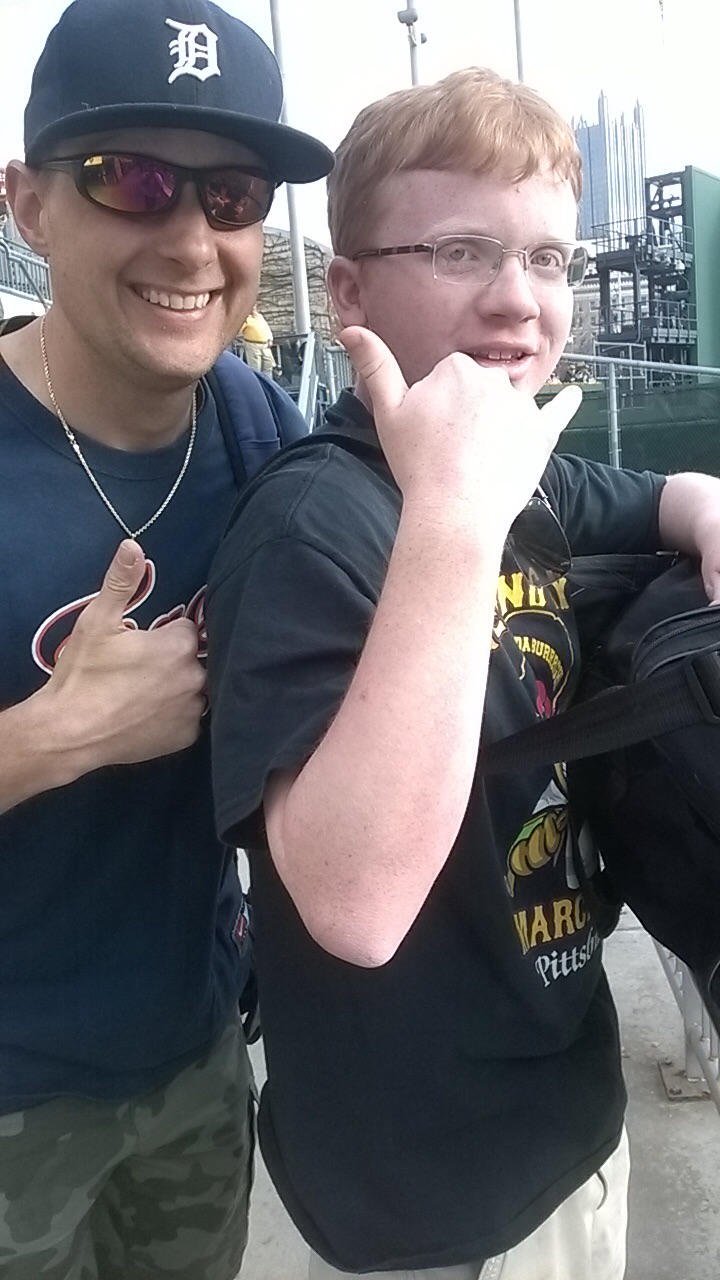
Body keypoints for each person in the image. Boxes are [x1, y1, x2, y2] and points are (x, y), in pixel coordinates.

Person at [207, 68, 720, 1280]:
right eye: (459, 251)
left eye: (549, 259)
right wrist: (450, 513)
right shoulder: (316, 523)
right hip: (430, 1187)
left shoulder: (521, 463)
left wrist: (706, 510)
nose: (518, 299)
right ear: (349, 290)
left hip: (570, 1106)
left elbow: (661, 493)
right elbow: (355, 902)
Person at [0, 0, 332, 1275]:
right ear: (29, 204)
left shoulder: (256, 428)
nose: (191, 237)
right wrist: (52, 737)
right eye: (129, 177)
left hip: (194, 1062)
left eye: (231, 192)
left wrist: (680, 503)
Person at [241, 305, 276, 374]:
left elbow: (267, 328)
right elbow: (238, 331)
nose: (253, 308)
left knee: (268, 367)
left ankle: (267, 380)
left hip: (265, 346)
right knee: (256, 369)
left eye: (254, 306)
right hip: (253, 346)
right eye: (251, 306)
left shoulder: (260, 317)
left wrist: (270, 339)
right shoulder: (245, 319)